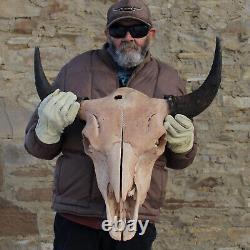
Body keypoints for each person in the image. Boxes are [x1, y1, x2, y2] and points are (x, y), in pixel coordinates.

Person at [24, 0, 197, 249]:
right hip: (77, 217)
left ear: (151, 34)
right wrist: (47, 130)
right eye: (118, 31)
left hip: (138, 218)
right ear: (107, 33)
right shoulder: (75, 70)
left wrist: (184, 146)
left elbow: (180, 160)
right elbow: (37, 147)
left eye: (137, 30)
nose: (128, 37)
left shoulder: (169, 79)